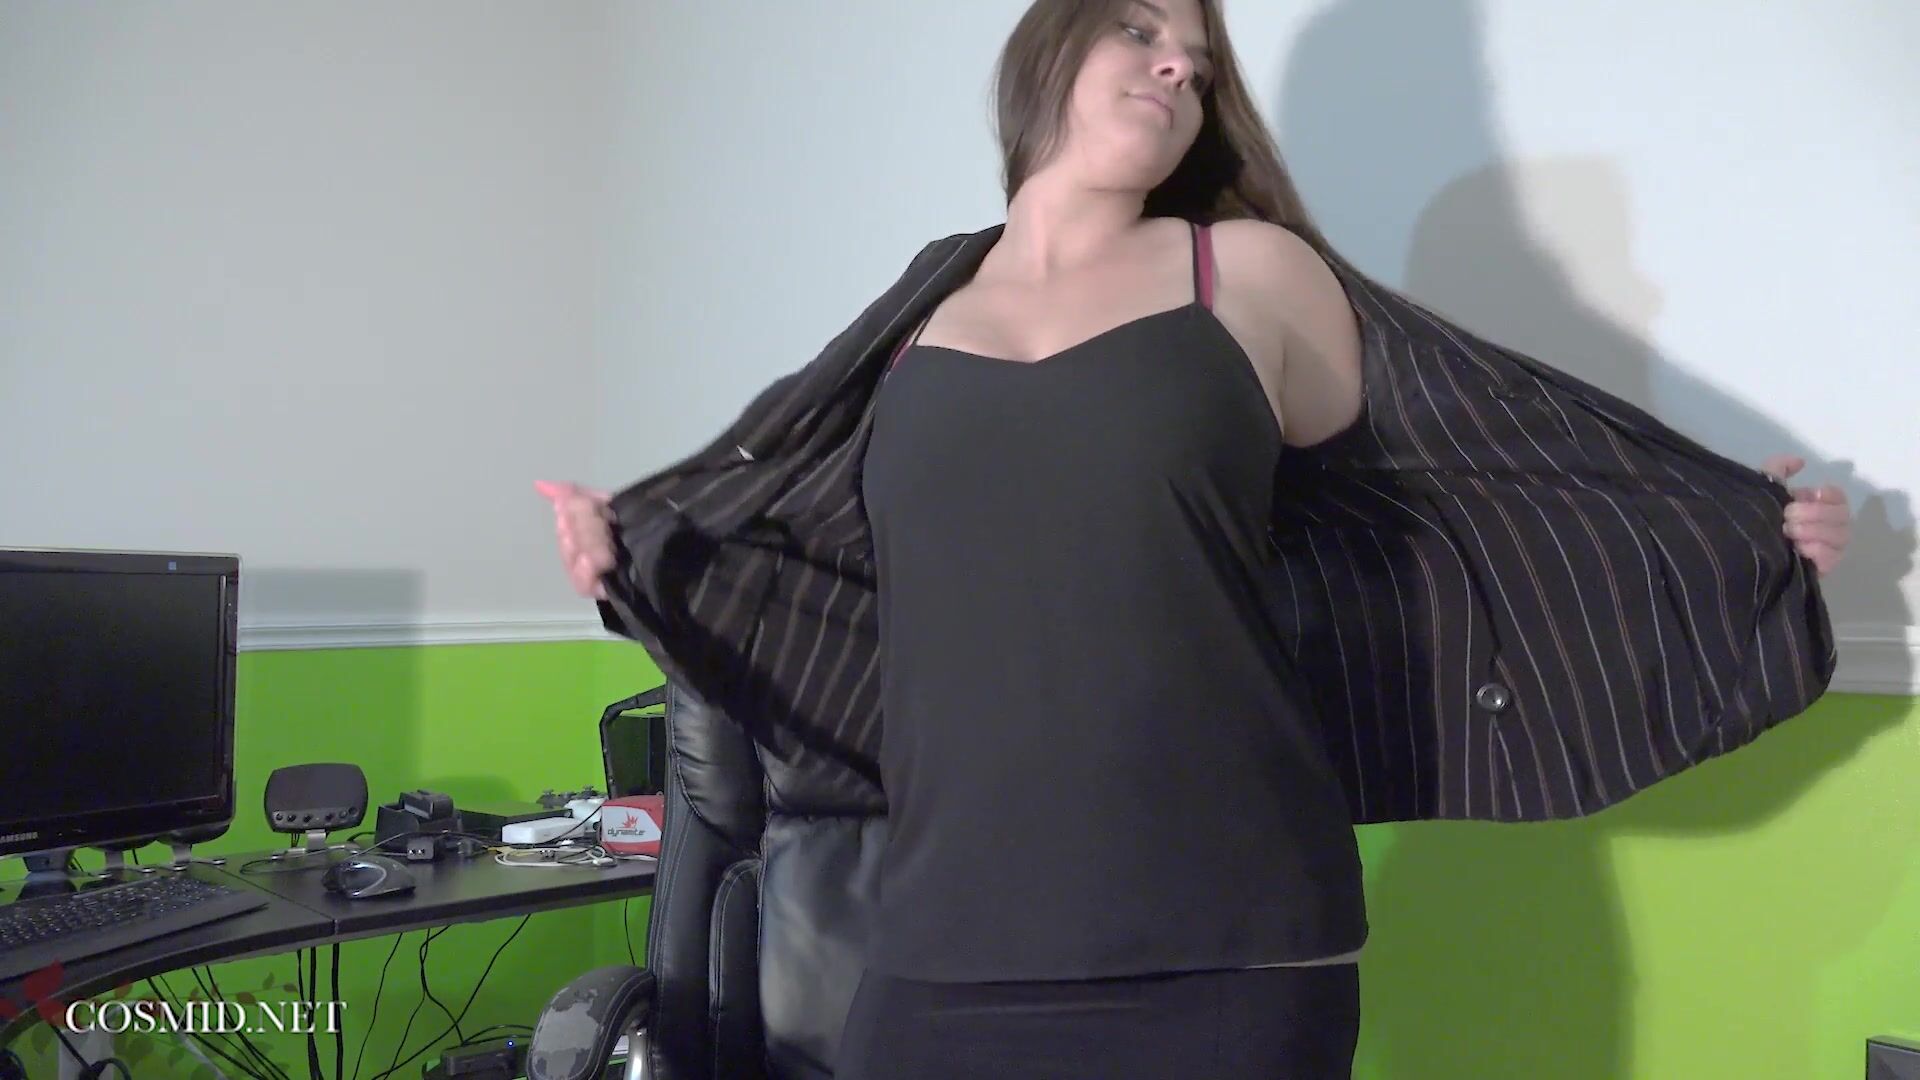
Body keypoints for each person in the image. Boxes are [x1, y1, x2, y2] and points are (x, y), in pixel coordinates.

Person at [538, 1, 1853, 1075]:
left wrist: (1730, 523)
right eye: (1142, 30)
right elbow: (799, 537)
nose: (1178, 64)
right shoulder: (922, 304)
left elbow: (1474, 461)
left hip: (1224, 943)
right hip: (937, 943)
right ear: (1048, 50)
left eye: (1200, 60)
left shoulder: (1249, 276)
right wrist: (638, 552)